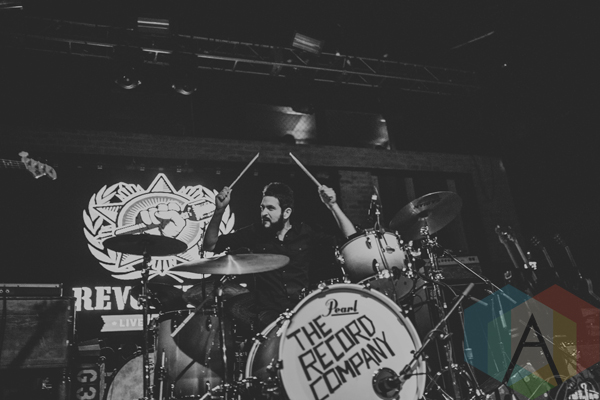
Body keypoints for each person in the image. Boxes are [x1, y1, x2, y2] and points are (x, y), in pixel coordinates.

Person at [202, 182, 356, 330]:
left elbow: (351, 239)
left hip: (302, 307)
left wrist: (333, 205)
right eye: (262, 208)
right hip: (268, 313)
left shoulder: (304, 232)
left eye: (270, 208)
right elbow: (210, 245)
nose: (264, 213)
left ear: (287, 212)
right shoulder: (255, 233)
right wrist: (219, 210)